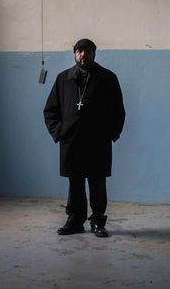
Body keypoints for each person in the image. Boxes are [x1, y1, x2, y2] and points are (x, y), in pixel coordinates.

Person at [43, 38, 125, 237]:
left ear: (94, 53)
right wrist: (59, 133)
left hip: (98, 142)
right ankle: (75, 220)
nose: (83, 55)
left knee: (97, 183)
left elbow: (118, 111)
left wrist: (111, 134)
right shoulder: (64, 79)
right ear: (74, 54)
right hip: (72, 142)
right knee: (75, 183)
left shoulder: (107, 78)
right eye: (79, 51)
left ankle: (98, 222)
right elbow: (50, 111)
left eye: (87, 51)